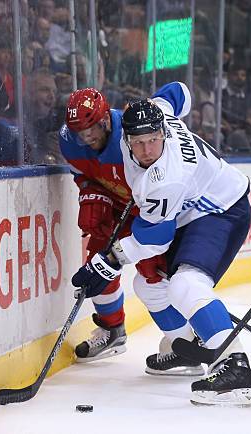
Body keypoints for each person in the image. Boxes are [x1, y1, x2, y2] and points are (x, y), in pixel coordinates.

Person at [70, 82, 251, 406]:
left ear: (163, 134)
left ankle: (233, 366)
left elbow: (154, 238)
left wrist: (107, 262)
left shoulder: (164, 178)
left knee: (186, 284)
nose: (147, 150)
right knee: (149, 286)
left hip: (221, 209)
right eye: (139, 142)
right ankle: (184, 348)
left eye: (153, 140)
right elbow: (180, 91)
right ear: (125, 138)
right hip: (190, 212)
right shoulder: (158, 114)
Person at [58, 87, 176, 365]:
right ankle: (113, 331)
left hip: (148, 209)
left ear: (106, 121)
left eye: (91, 131)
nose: (86, 139)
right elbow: (85, 178)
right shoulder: (69, 142)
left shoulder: (132, 135)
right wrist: (91, 196)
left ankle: (179, 337)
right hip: (115, 206)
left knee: (154, 272)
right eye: (80, 134)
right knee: (97, 268)